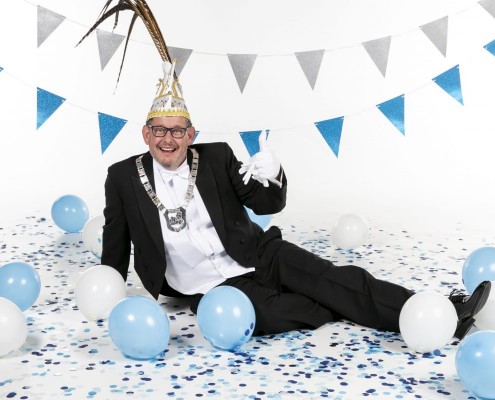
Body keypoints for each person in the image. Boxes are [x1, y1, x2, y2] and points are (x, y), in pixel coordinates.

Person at [101, 59, 491, 340]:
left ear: (190, 134)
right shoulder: (122, 176)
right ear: (145, 134)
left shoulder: (216, 156)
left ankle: (447, 314)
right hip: (209, 288)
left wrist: (272, 175)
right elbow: (116, 237)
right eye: (159, 130)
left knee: (337, 279)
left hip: (258, 254)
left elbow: (266, 205)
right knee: (270, 314)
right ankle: (342, 304)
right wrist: (108, 289)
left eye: (177, 131)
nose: (167, 139)